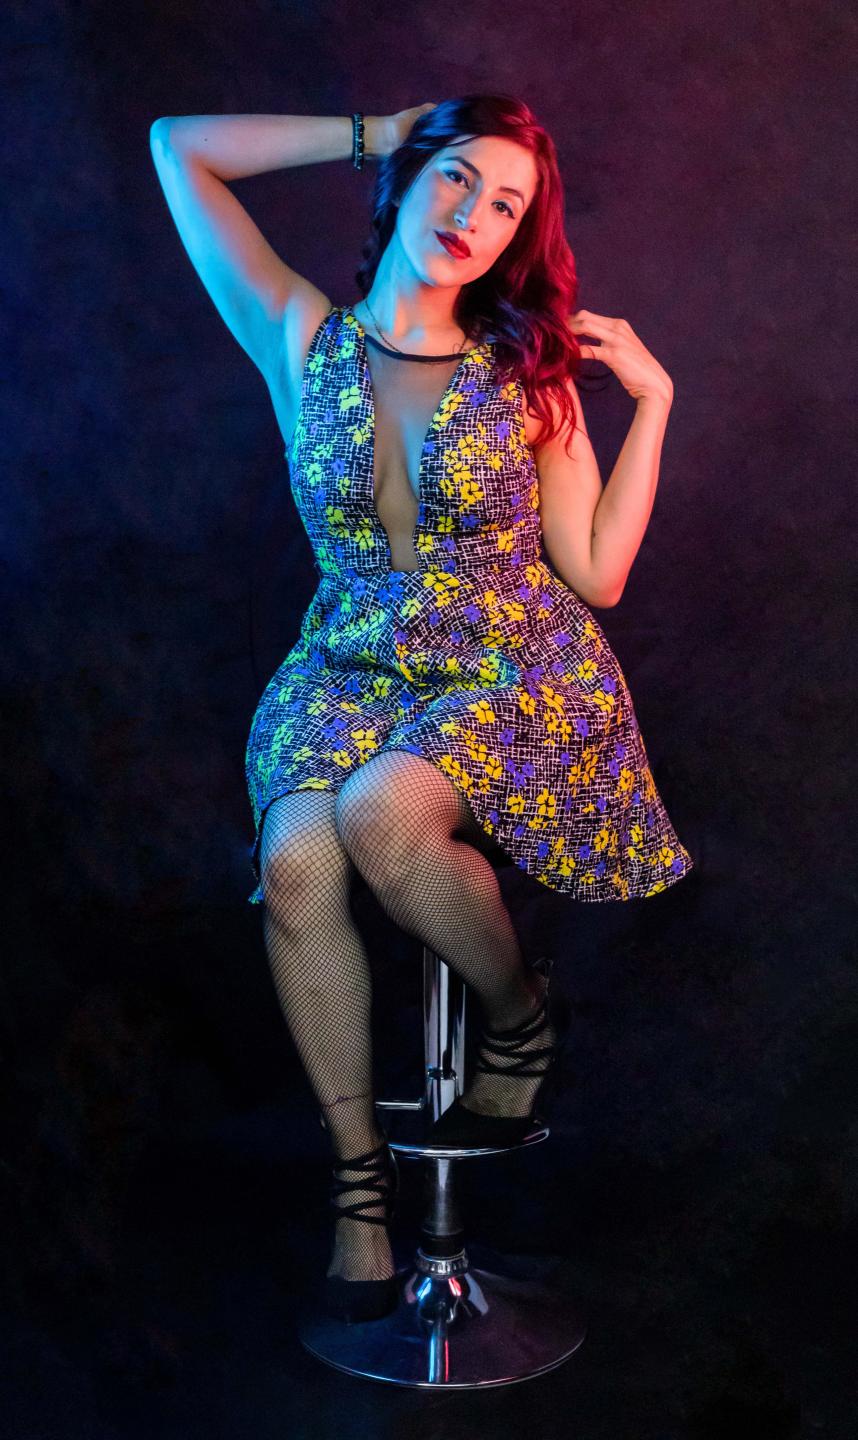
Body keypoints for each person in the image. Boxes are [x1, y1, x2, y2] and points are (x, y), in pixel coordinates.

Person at [150, 94, 695, 1322]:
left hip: (512, 663)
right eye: (456, 177)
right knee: (297, 860)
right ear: (405, 177)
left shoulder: (530, 375)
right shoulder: (299, 335)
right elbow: (179, 148)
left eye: (506, 205)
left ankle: (519, 1023)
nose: (474, 216)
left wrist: (654, 403)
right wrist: (373, 128)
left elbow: (599, 573)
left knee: (382, 812)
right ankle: (359, 1188)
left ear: (517, 239)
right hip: (350, 661)